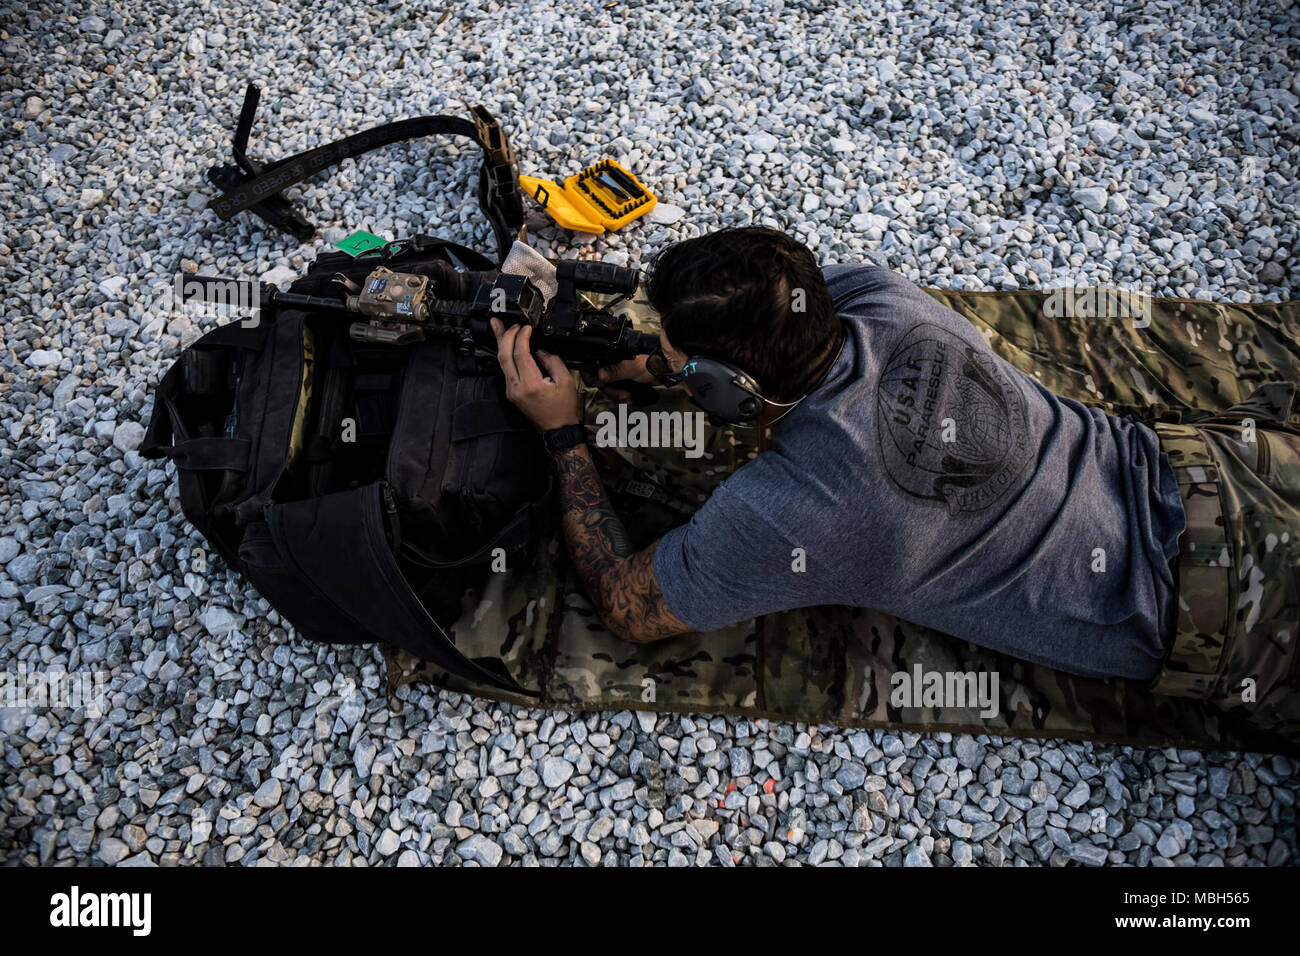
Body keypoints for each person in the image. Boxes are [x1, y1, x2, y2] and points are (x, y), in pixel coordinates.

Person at [490, 226, 1299, 736]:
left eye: (678, 357)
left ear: (728, 390)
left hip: (1227, 611)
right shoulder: (878, 296)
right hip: (1227, 468)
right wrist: (658, 365)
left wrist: (562, 433)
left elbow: (629, 607)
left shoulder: (803, 512)